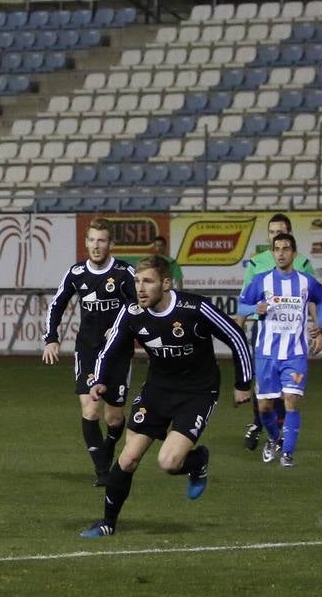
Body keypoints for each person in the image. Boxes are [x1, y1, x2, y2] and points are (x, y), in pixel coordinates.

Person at [80, 257, 253, 538]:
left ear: (167, 283)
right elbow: (108, 349)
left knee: (169, 463)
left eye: (148, 281)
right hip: (157, 390)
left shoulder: (193, 307)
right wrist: (98, 379)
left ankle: (197, 461)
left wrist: (243, 383)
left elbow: (235, 335)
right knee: (128, 459)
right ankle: (107, 524)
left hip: (197, 392)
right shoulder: (132, 312)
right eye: (137, 281)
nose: (140, 288)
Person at [42, 219, 137, 487]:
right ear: (86, 243)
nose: (96, 246)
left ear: (111, 244)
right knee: (90, 409)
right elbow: (57, 305)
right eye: (92, 240)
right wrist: (51, 338)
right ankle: (102, 471)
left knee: (114, 417)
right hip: (88, 351)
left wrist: (122, 329)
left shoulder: (124, 273)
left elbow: (138, 308)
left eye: (102, 240)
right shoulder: (76, 273)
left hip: (117, 353)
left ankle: (109, 444)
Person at [237, 233, 322, 468]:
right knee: (265, 406)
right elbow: (241, 305)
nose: (281, 253)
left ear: (293, 253)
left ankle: (287, 454)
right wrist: (255, 307)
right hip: (266, 354)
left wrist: (320, 328)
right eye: (277, 249)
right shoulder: (261, 280)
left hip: (295, 353)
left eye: (286, 248)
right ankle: (275, 440)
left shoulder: (306, 281)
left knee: (291, 400)